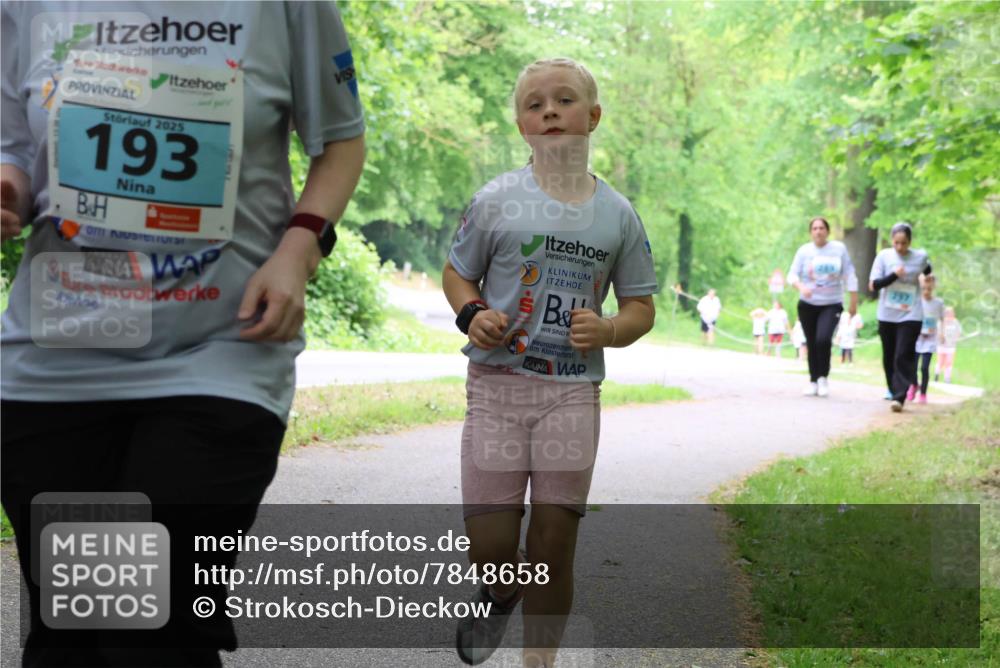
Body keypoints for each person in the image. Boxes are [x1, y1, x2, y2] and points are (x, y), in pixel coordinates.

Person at [0, 3, 365, 666]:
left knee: (157, 627)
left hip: (220, 351)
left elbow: (340, 140)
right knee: (77, 629)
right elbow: (15, 151)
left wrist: (299, 248)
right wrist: (9, 187)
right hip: (61, 351)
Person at [442, 57, 657, 668]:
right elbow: (458, 273)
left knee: (555, 540)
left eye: (564, 101)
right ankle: (499, 590)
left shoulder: (618, 214)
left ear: (592, 117)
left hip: (571, 392)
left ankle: (540, 661)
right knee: (490, 543)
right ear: (521, 125)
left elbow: (641, 307)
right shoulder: (496, 200)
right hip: (496, 387)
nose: (550, 111)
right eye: (536, 105)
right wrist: (471, 312)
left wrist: (610, 328)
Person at [787, 217, 859, 397]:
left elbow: (849, 273)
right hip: (808, 304)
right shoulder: (804, 251)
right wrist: (801, 287)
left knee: (823, 339)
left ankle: (823, 378)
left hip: (831, 303)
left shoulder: (838, 249)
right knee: (811, 342)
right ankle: (813, 380)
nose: (818, 231)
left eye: (821, 228)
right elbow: (791, 275)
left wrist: (853, 300)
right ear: (811, 232)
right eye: (814, 228)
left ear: (827, 231)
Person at [869, 222, 932, 412]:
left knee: (902, 353)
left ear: (910, 242)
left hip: (911, 313)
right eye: (896, 243)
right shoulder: (884, 256)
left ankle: (900, 397)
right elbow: (873, 285)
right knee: (889, 356)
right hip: (887, 314)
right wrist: (894, 275)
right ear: (891, 241)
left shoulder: (919, 257)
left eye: (904, 243)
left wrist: (928, 277)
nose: (900, 247)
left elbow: (927, 268)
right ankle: (893, 387)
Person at [910, 274, 944, 403]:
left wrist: (942, 333)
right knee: (912, 366)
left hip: (930, 339)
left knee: (924, 367)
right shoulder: (917, 301)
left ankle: (923, 394)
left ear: (933, 288)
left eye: (929, 289)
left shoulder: (938, 303)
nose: (926, 292)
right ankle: (914, 385)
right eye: (924, 288)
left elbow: (942, 319)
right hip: (917, 337)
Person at [936, 306, 962, 383]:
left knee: (949, 362)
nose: (950, 314)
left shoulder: (956, 322)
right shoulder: (941, 322)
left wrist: (955, 338)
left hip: (951, 346)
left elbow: (958, 332)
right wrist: (942, 337)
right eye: (948, 312)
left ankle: (947, 378)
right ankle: (936, 375)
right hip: (942, 345)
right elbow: (938, 332)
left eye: (951, 312)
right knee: (940, 362)